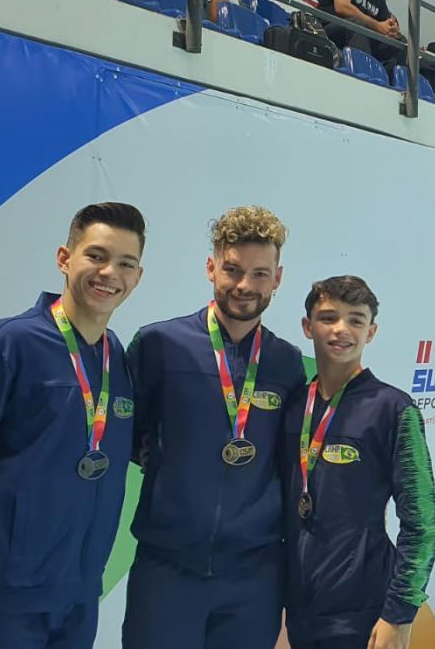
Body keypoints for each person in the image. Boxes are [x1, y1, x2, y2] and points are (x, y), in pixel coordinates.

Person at [0, 202, 146, 649]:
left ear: (137, 277)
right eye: (96, 255)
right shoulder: (6, 345)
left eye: (125, 263)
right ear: (64, 258)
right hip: (0, 600)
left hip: (78, 599)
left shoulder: (117, 358)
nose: (109, 273)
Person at [121, 207, 306, 649]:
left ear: (277, 278)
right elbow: (124, 433)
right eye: (233, 269)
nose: (245, 285)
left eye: (260, 274)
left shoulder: (286, 363)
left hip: (254, 574)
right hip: (167, 568)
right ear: (211, 268)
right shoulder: (159, 344)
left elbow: (288, 459)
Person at [282, 276, 435, 649]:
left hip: (364, 607)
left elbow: (422, 520)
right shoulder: (292, 408)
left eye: (356, 319)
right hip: (300, 604)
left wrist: (400, 612)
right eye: (328, 317)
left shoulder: (393, 409)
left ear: (371, 331)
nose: (342, 329)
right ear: (308, 327)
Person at [319, 0, 404, 74]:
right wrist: (378, 26)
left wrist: (391, 29)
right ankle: (363, 76)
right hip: (329, 26)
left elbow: (384, 25)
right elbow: (342, 7)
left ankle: (383, 80)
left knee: (400, 43)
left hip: (363, 33)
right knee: (358, 25)